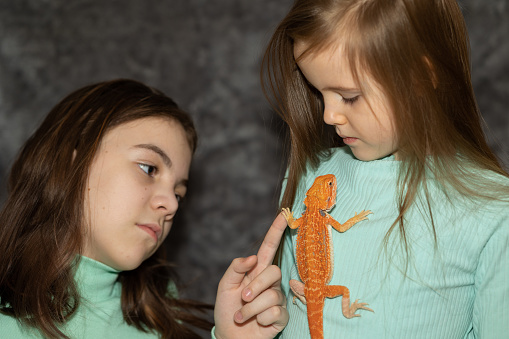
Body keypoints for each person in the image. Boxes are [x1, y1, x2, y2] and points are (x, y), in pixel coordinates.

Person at [261, 0, 509, 338]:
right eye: (318, 92)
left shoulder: (495, 211)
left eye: (348, 96)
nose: (328, 116)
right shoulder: (307, 175)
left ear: (420, 79)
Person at [0, 79, 288, 339]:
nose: (172, 204)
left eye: (179, 193)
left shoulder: (162, 321)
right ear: (73, 163)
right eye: (149, 168)